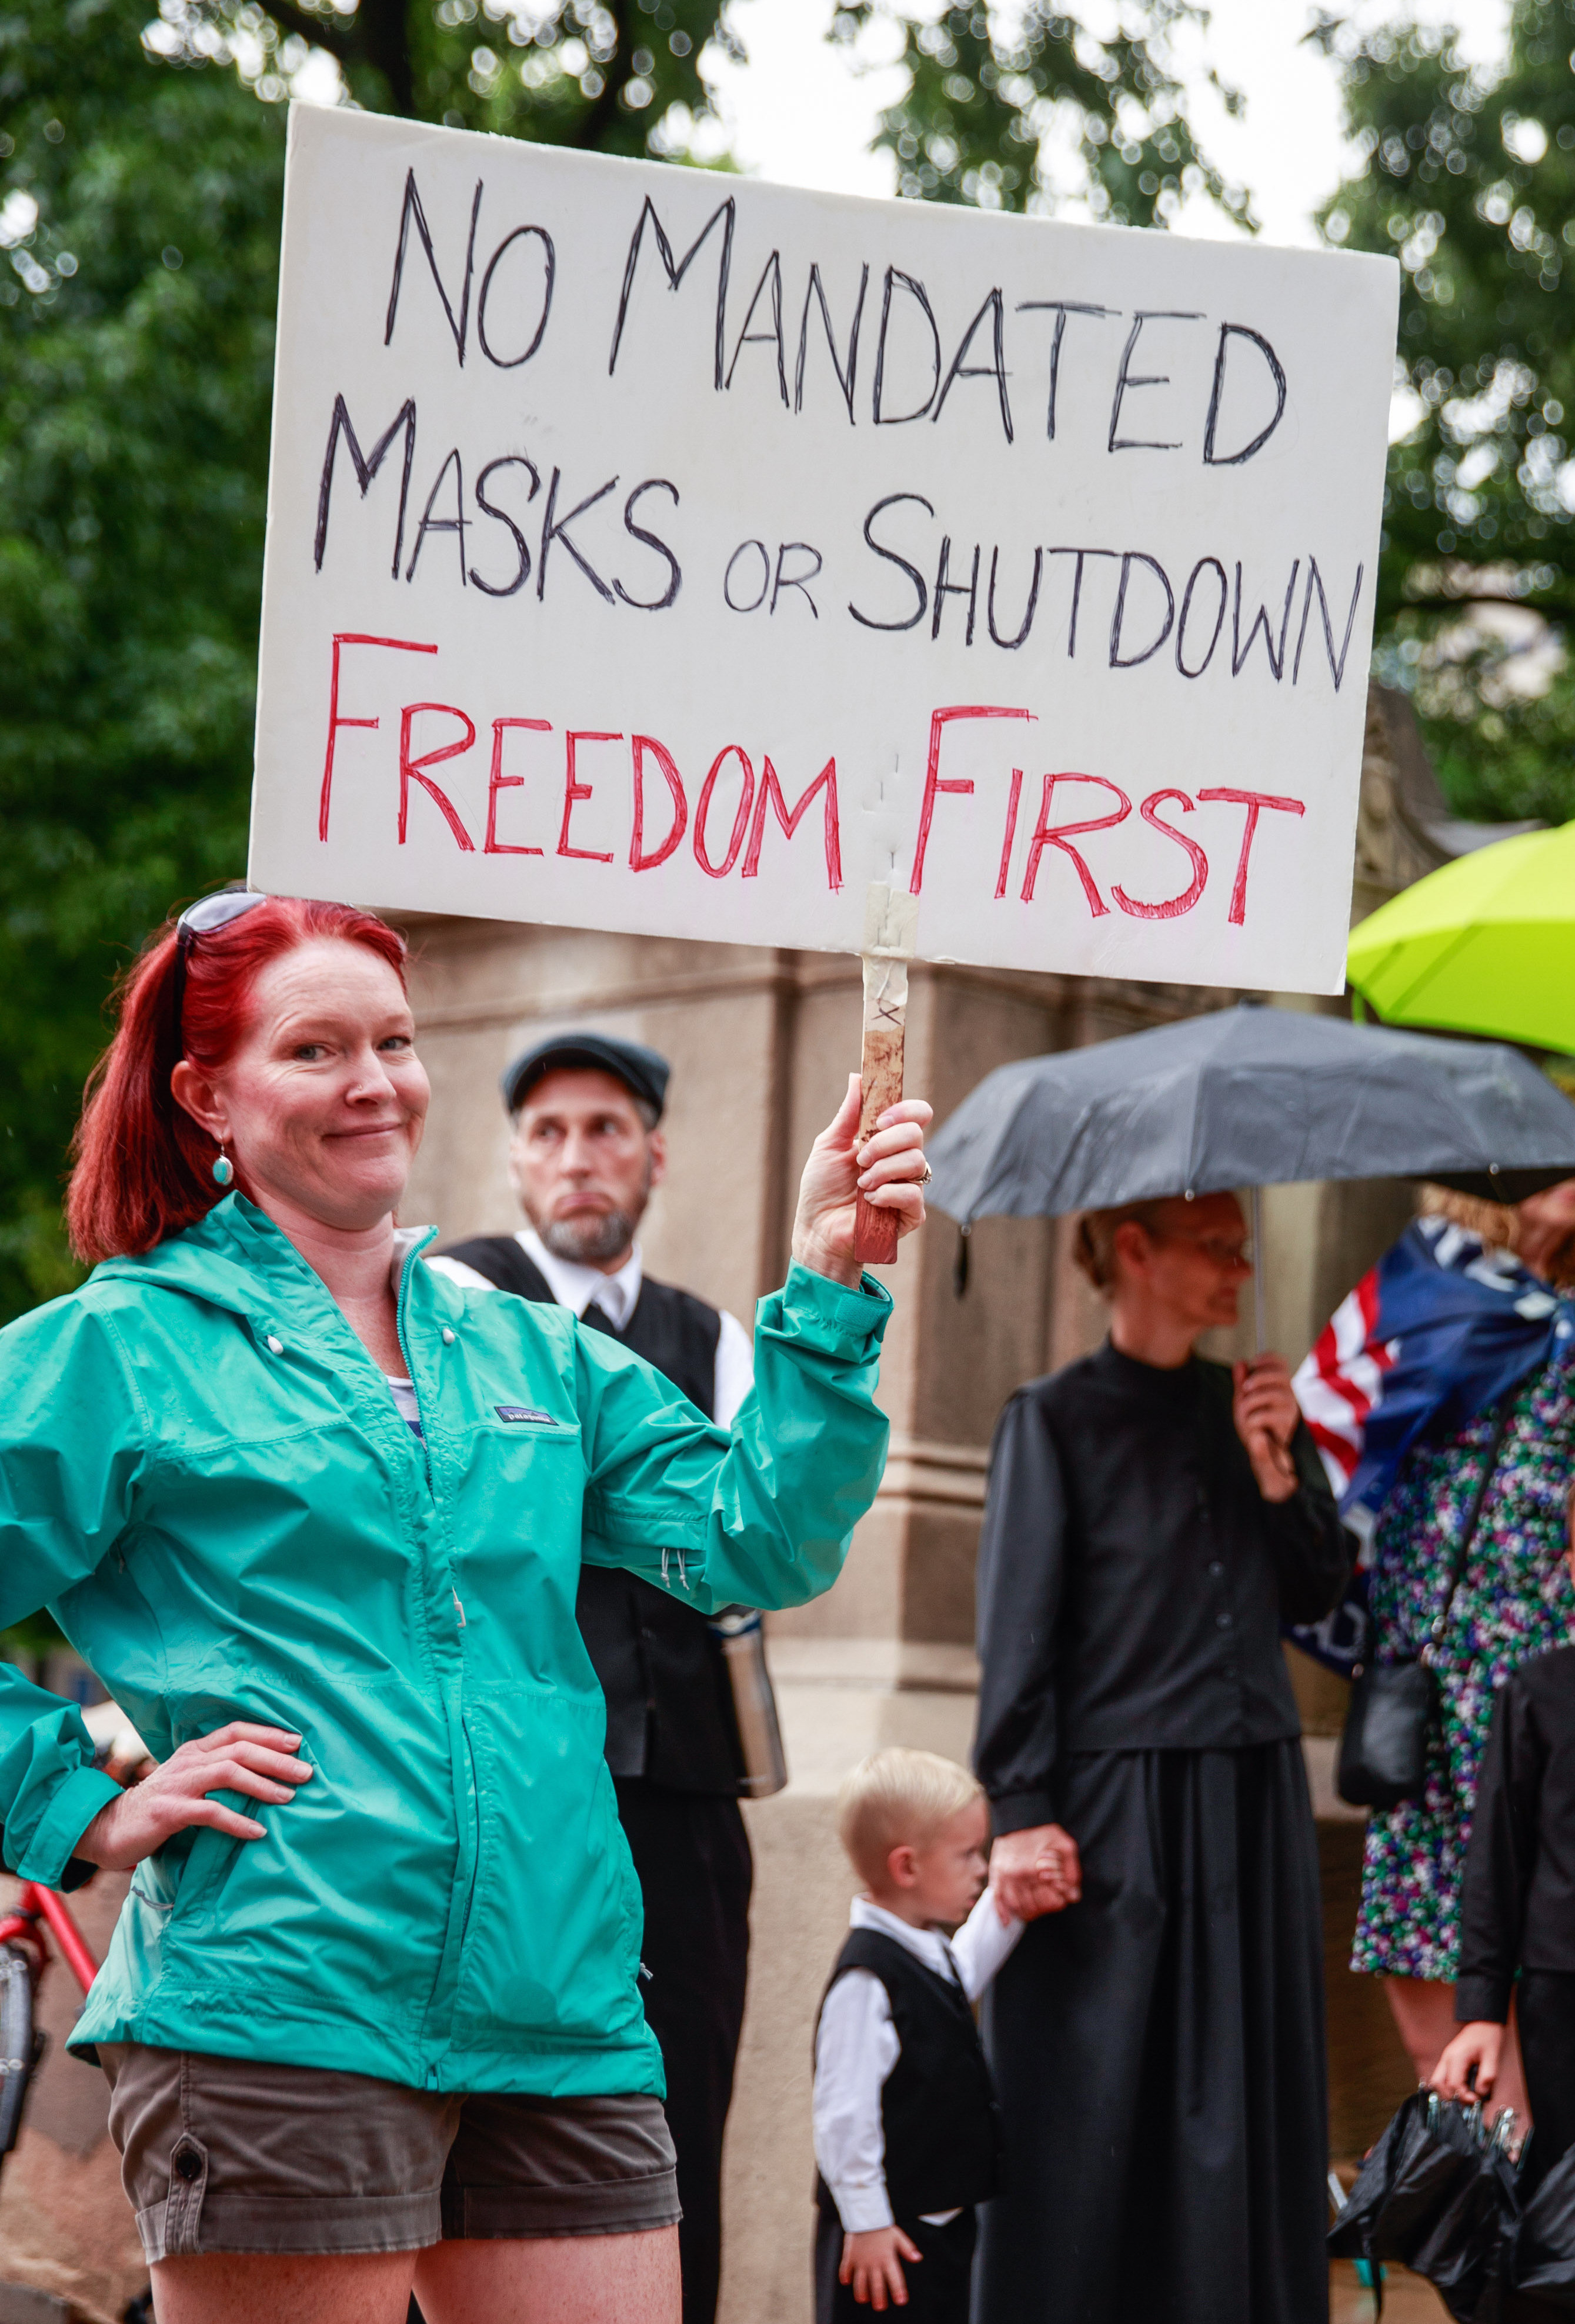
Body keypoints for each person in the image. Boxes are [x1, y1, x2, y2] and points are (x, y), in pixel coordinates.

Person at [0, 889, 932, 2324]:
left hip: (561, 2013)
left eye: (393, 1040)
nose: (375, 1082)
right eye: (316, 1050)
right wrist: (81, 1806)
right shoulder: (119, 1347)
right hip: (280, 2008)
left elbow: (757, 1540)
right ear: (206, 1094)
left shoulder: (524, 1346)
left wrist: (827, 1279)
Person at [972, 1191, 1350, 2324]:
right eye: (1216, 1247)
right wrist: (1020, 1806)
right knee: (1100, 2103)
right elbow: (1018, 1631)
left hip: (1250, 1802)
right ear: (1132, 1249)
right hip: (1112, 1816)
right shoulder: (1050, 1419)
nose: (1239, 1269)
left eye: (1244, 1249)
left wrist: (1282, 1474)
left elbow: (1320, 1590)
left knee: (1247, 2096)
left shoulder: (1249, 1412)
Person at [428, 1032, 758, 2324]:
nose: (578, 1155)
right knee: (468, 2132)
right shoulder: (453, 1295)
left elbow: (753, 1543)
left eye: (607, 1127)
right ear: (514, 1155)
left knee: (685, 2119)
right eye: (550, 1129)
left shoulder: (710, 1336)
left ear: (655, 1152)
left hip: (678, 1795)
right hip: (500, 1788)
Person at [1315, 1181, 1575, 2114]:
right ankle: (1490, 2222)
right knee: (1441, 2004)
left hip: (1533, 1701)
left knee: (1526, 1975)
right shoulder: (1424, 1300)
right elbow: (1337, 1455)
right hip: (1436, 1700)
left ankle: (1520, 2220)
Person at [812, 1749, 1026, 2324]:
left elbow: (962, 1971)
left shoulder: (924, 1949)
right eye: (966, 1856)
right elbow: (842, 2112)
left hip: (938, 2227)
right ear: (906, 1867)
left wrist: (1009, 1906)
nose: (980, 1868)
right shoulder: (865, 1979)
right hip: (885, 2239)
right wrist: (866, 2220)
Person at [1432, 1494, 1575, 2190]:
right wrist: (1480, 2014)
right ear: (1571, 1567)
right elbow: (1497, 1857)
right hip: (1563, 1988)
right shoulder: (1537, 1692)